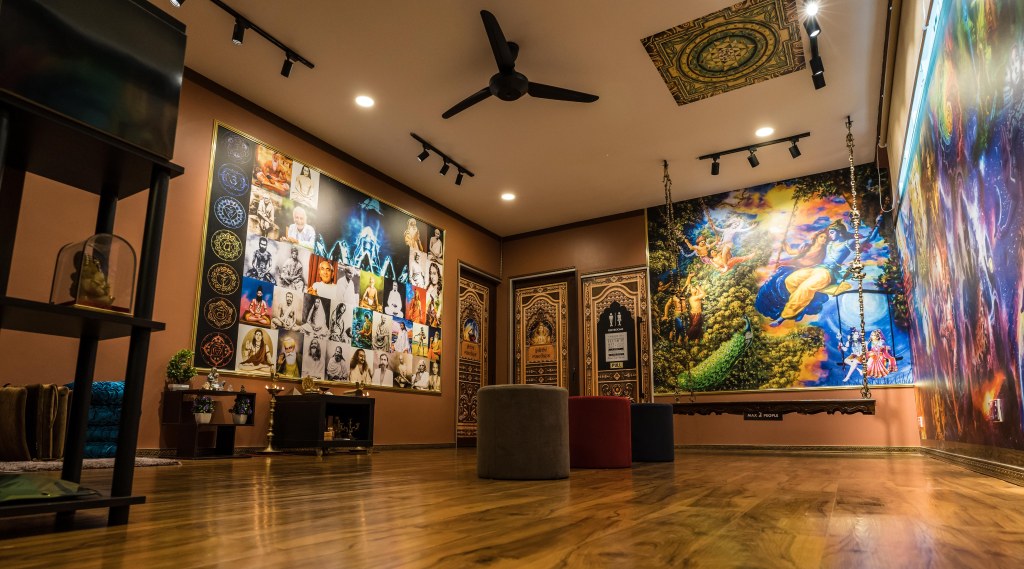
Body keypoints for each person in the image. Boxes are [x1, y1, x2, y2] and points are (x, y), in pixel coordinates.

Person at [758, 216, 882, 327]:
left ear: (839, 232)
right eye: (829, 232)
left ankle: (783, 317)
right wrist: (805, 246)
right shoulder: (829, 244)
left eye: (832, 232)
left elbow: (870, 239)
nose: (830, 235)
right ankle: (798, 301)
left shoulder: (847, 243)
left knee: (805, 287)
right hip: (816, 268)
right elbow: (816, 242)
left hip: (827, 273)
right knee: (791, 279)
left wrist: (877, 225)